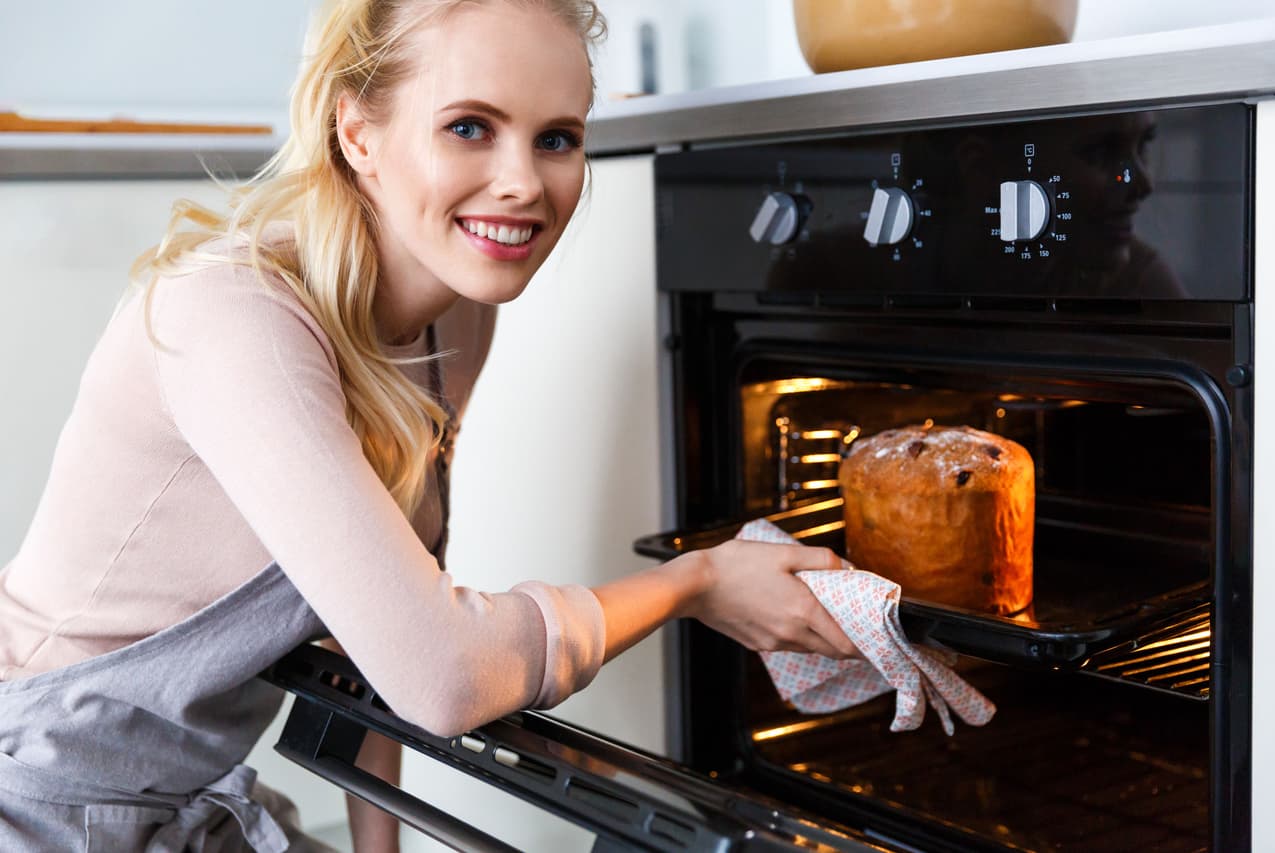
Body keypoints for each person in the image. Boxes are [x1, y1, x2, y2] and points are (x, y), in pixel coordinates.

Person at [0, 1, 855, 850]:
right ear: (357, 133)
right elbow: (443, 671)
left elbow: (378, 640)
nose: (524, 181)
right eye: (471, 127)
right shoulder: (234, 317)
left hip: (168, 806)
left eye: (557, 137)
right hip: (34, 798)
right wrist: (696, 583)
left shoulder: (456, 322)